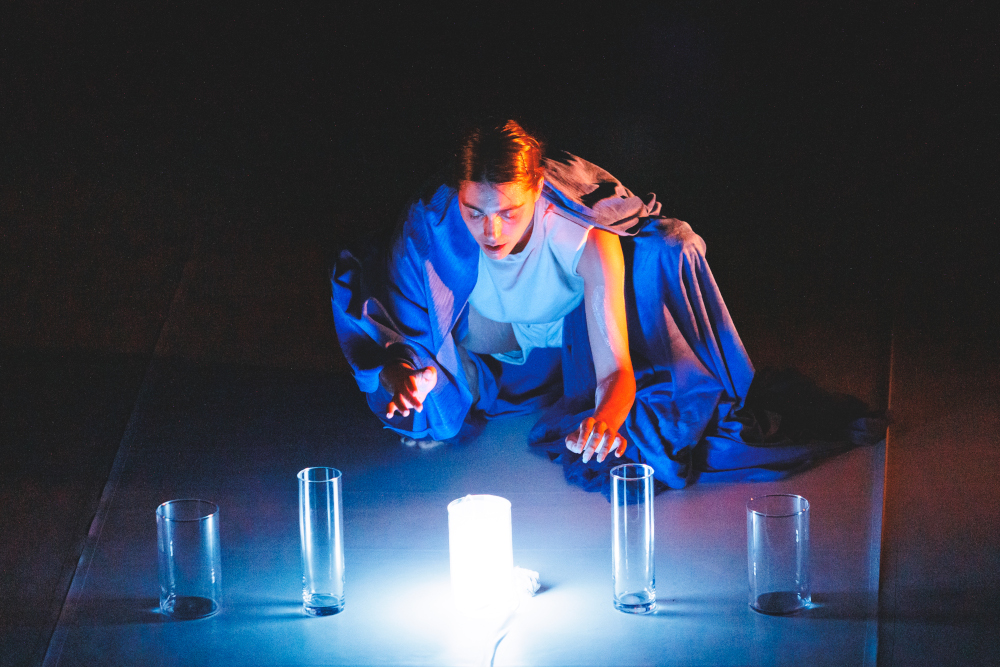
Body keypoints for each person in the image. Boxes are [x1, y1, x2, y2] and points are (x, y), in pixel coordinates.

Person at [331, 120, 874, 492]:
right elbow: (404, 332)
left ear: (539, 189)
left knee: (669, 266)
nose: (491, 231)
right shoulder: (431, 228)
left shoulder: (586, 239)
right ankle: (465, 388)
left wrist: (605, 422)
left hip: (556, 350)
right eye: (475, 211)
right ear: (460, 196)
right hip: (478, 346)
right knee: (430, 418)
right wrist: (407, 371)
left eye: (510, 212)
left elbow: (615, 370)